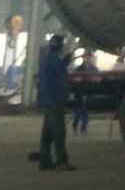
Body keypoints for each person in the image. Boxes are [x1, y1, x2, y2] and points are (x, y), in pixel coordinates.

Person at [35, 33, 75, 171]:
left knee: (47, 132)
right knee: (59, 132)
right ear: (61, 46)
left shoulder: (48, 59)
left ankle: (44, 160)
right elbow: (59, 75)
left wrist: (69, 56)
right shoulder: (54, 61)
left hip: (48, 100)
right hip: (55, 101)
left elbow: (59, 68)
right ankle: (62, 162)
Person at [72, 51, 98, 132]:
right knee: (79, 109)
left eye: (90, 57)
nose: (88, 58)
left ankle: (84, 126)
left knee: (86, 109)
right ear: (83, 58)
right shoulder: (78, 69)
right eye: (87, 57)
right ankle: (75, 123)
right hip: (80, 91)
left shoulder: (94, 69)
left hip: (89, 91)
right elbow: (76, 81)